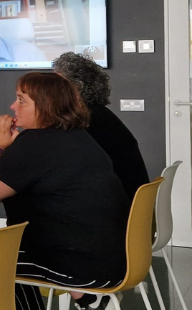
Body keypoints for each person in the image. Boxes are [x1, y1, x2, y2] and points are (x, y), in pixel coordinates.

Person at [0, 72, 130, 310]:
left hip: (85, 266)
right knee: (9, 260)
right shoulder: (75, 136)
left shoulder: (35, 143)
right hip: (109, 256)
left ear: (45, 106)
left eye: (22, 100)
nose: (12, 106)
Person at [53, 51, 149, 200]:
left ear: (76, 88)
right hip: (130, 202)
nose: (50, 91)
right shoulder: (101, 114)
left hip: (116, 205)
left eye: (56, 85)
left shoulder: (84, 120)